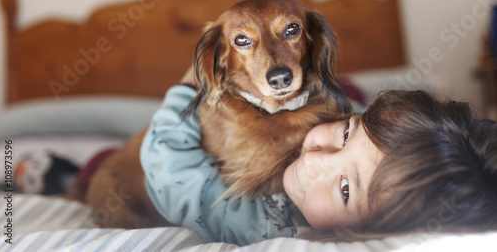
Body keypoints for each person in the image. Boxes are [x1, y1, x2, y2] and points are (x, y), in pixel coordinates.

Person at [140, 69, 497, 246]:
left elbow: (171, 173)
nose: (315, 160)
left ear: (362, 233)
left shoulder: (262, 227)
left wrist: (187, 88)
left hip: (179, 135)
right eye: (345, 135)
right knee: (340, 97)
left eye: (345, 190)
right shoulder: (352, 122)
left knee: (105, 165)